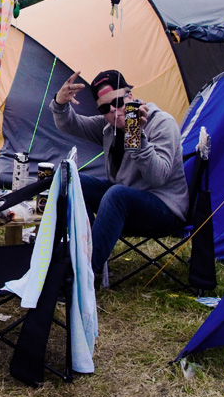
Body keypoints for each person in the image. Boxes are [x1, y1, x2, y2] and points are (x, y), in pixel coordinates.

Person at [50, 69, 188, 271]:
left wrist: (136, 136)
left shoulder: (161, 123)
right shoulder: (109, 128)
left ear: (130, 96)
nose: (113, 111)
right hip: (125, 201)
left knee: (116, 194)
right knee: (72, 179)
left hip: (164, 207)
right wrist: (60, 103)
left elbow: (158, 177)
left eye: (117, 102)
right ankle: (81, 251)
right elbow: (71, 124)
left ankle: (82, 273)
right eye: (105, 108)